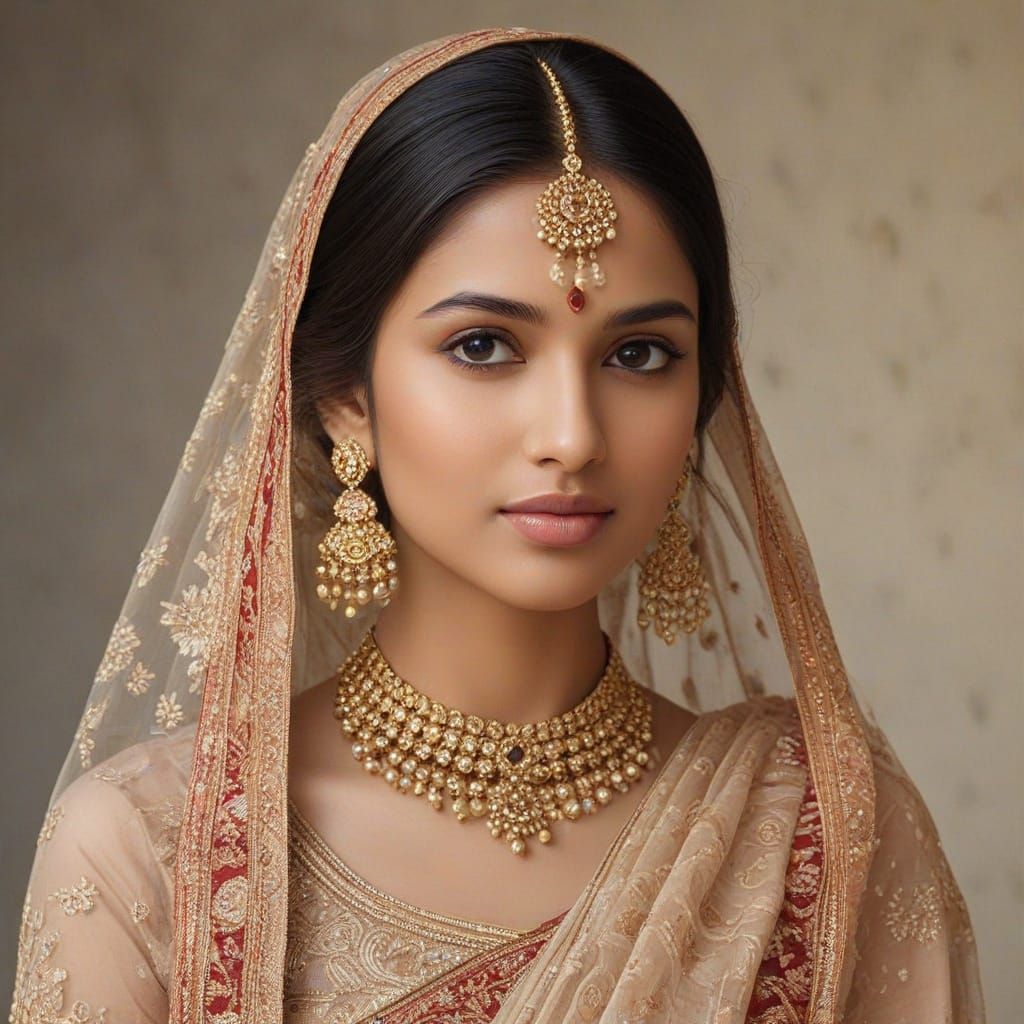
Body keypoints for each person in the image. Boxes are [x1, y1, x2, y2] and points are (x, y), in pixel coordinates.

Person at [8, 28, 985, 1023]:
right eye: (483, 345)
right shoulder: (150, 850)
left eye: (640, 354)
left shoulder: (820, 838)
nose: (571, 435)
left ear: (703, 397)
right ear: (345, 394)